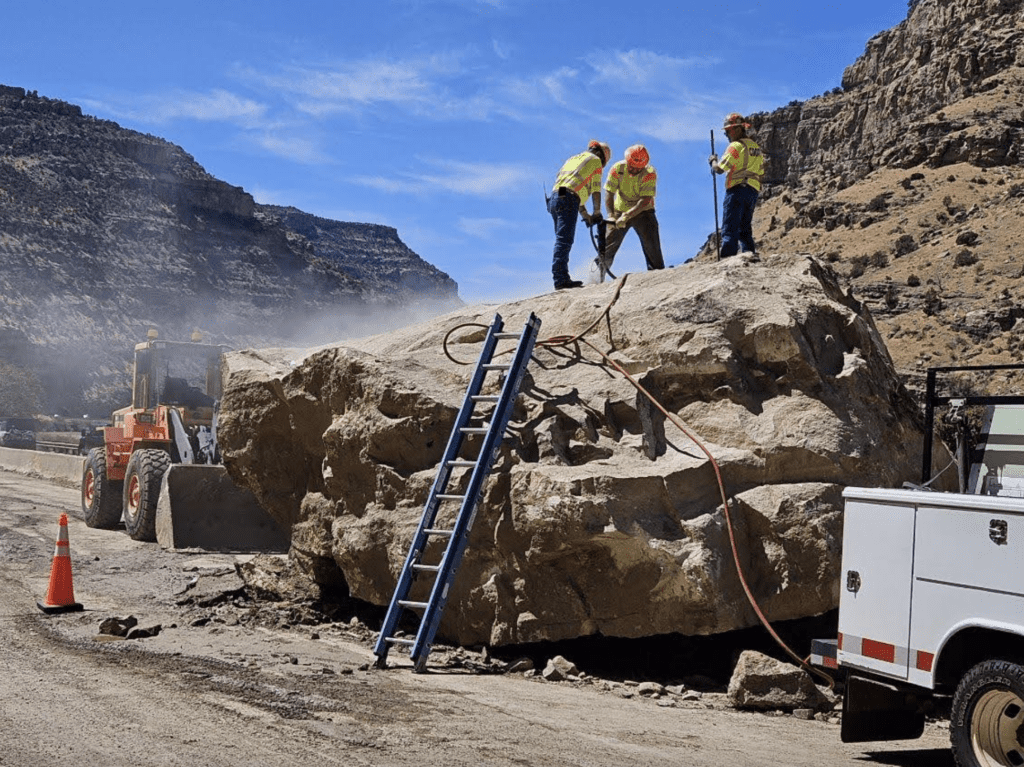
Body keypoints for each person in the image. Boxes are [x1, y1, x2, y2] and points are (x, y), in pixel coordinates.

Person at [548, 140, 611, 290]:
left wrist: (585, 215)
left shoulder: (573, 159)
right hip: (567, 199)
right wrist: (597, 212)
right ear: (601, 156)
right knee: (564, 241)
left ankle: (560, 277)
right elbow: (596, 189)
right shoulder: (595, 160)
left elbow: (570, 188)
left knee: (561, 240)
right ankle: (561, 279)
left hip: (555, 199)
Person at [600, 144, 664, 280]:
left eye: (638, 168)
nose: (634, 170)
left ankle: (657, 276)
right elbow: (609, 193)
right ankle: (596, 276)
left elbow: (645, 200)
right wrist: (611, 216)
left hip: (644, 211)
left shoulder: (649, 173)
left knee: (652, 246)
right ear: (627, 161)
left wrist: (627, 216)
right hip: (619, 210)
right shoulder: (617, 168)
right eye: (632, 166)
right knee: (608, 245)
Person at [709, 112, 765, 259]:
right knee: (745, 229)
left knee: (730, 228)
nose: (727, 135)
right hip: (752, 191)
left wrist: (713, 161)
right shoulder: (756, 148)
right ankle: (750, 256)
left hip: (737, 190)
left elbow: (719, 169)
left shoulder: (735, 146)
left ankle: (728, 260)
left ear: (739, 129)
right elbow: (761, 171)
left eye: (728, 131)